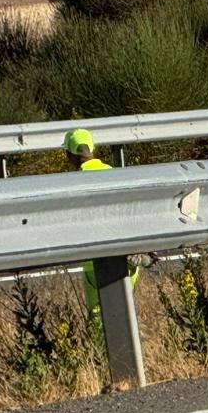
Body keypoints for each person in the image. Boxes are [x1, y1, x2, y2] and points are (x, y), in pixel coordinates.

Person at [64, 128, 139, 322]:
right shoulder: (113, 173)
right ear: (92, 150)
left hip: (96, 259)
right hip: (129, 252)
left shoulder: (73, 183)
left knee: (100, 317)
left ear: (69, 155)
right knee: (124, 313)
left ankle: (103, 351)